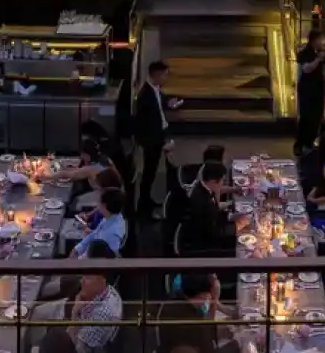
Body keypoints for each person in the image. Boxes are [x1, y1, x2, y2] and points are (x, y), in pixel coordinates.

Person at [134, 61, 174, 216]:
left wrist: (167, 102)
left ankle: (148, 200)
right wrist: (163, 142)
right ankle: (144, 208)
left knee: (151, 172)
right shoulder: (145, 95)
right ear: (156, 75)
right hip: (153, 141)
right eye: (164, 75)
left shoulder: (155, 90)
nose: (166, 78)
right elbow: (147, 123)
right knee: (149, 174)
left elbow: (159, 102)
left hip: (159, 137)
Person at [155, 273, 226, 353]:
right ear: (204, 295)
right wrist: (236, 344)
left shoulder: (170, 303)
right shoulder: (193, 321)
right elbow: (209, 349)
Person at [182, 162, 235, 253]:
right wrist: (232, 218)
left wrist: (231, 203)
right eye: (222, 180)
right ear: (212, 181)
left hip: (208, 228)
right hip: (208, 242)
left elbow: (215, 206)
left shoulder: (202, 186)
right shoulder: (204, 202)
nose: (222, 183)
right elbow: (212, 230)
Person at [295, 29, 325, 154]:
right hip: (308, 91)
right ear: (314, 40)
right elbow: (307, 69)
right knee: (307, 118)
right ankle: (301, 144)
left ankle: (310, 142)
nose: (322, 42)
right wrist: (318, 59)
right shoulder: (305, 53)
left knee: (316, 118)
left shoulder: (318, 53)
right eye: (320, 40)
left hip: (318, 91)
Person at [72, 188, 128, 257]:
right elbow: (94, 234)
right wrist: (76, 249)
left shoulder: (112, 235)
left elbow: (104, 260)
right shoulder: (111, 217)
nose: (98, 205)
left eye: (99, 202)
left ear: (104, 205)